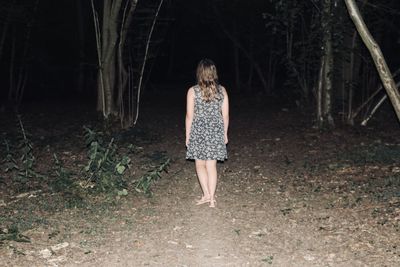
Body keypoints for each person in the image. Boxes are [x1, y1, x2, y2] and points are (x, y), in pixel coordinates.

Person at [185, 59, 229, 208]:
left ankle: (206, 194)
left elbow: (189, 116)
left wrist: (188, 136)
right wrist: (225, 133)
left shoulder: (193, 91)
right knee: (212, 166)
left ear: (199, 73)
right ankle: (211, 199)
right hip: (216, 131)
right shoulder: (222, 91)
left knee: (200, 165)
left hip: (199, 131)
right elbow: (226, 116)